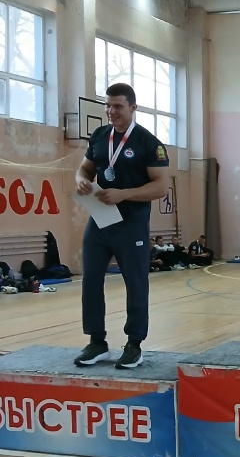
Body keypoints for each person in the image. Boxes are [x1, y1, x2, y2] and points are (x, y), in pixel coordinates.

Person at [73, 82, 171, 369]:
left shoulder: (148, 143)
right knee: (91, 279)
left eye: (117, 106)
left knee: (136, 283)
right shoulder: (100, 136)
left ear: (133, 107)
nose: (111, 111)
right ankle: (97, 342)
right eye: (108, 105)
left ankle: (134, 344)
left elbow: (161, 187)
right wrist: (81, 180)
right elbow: (84, 168)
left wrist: (123, 194)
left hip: (132, 224)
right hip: (101, 220)